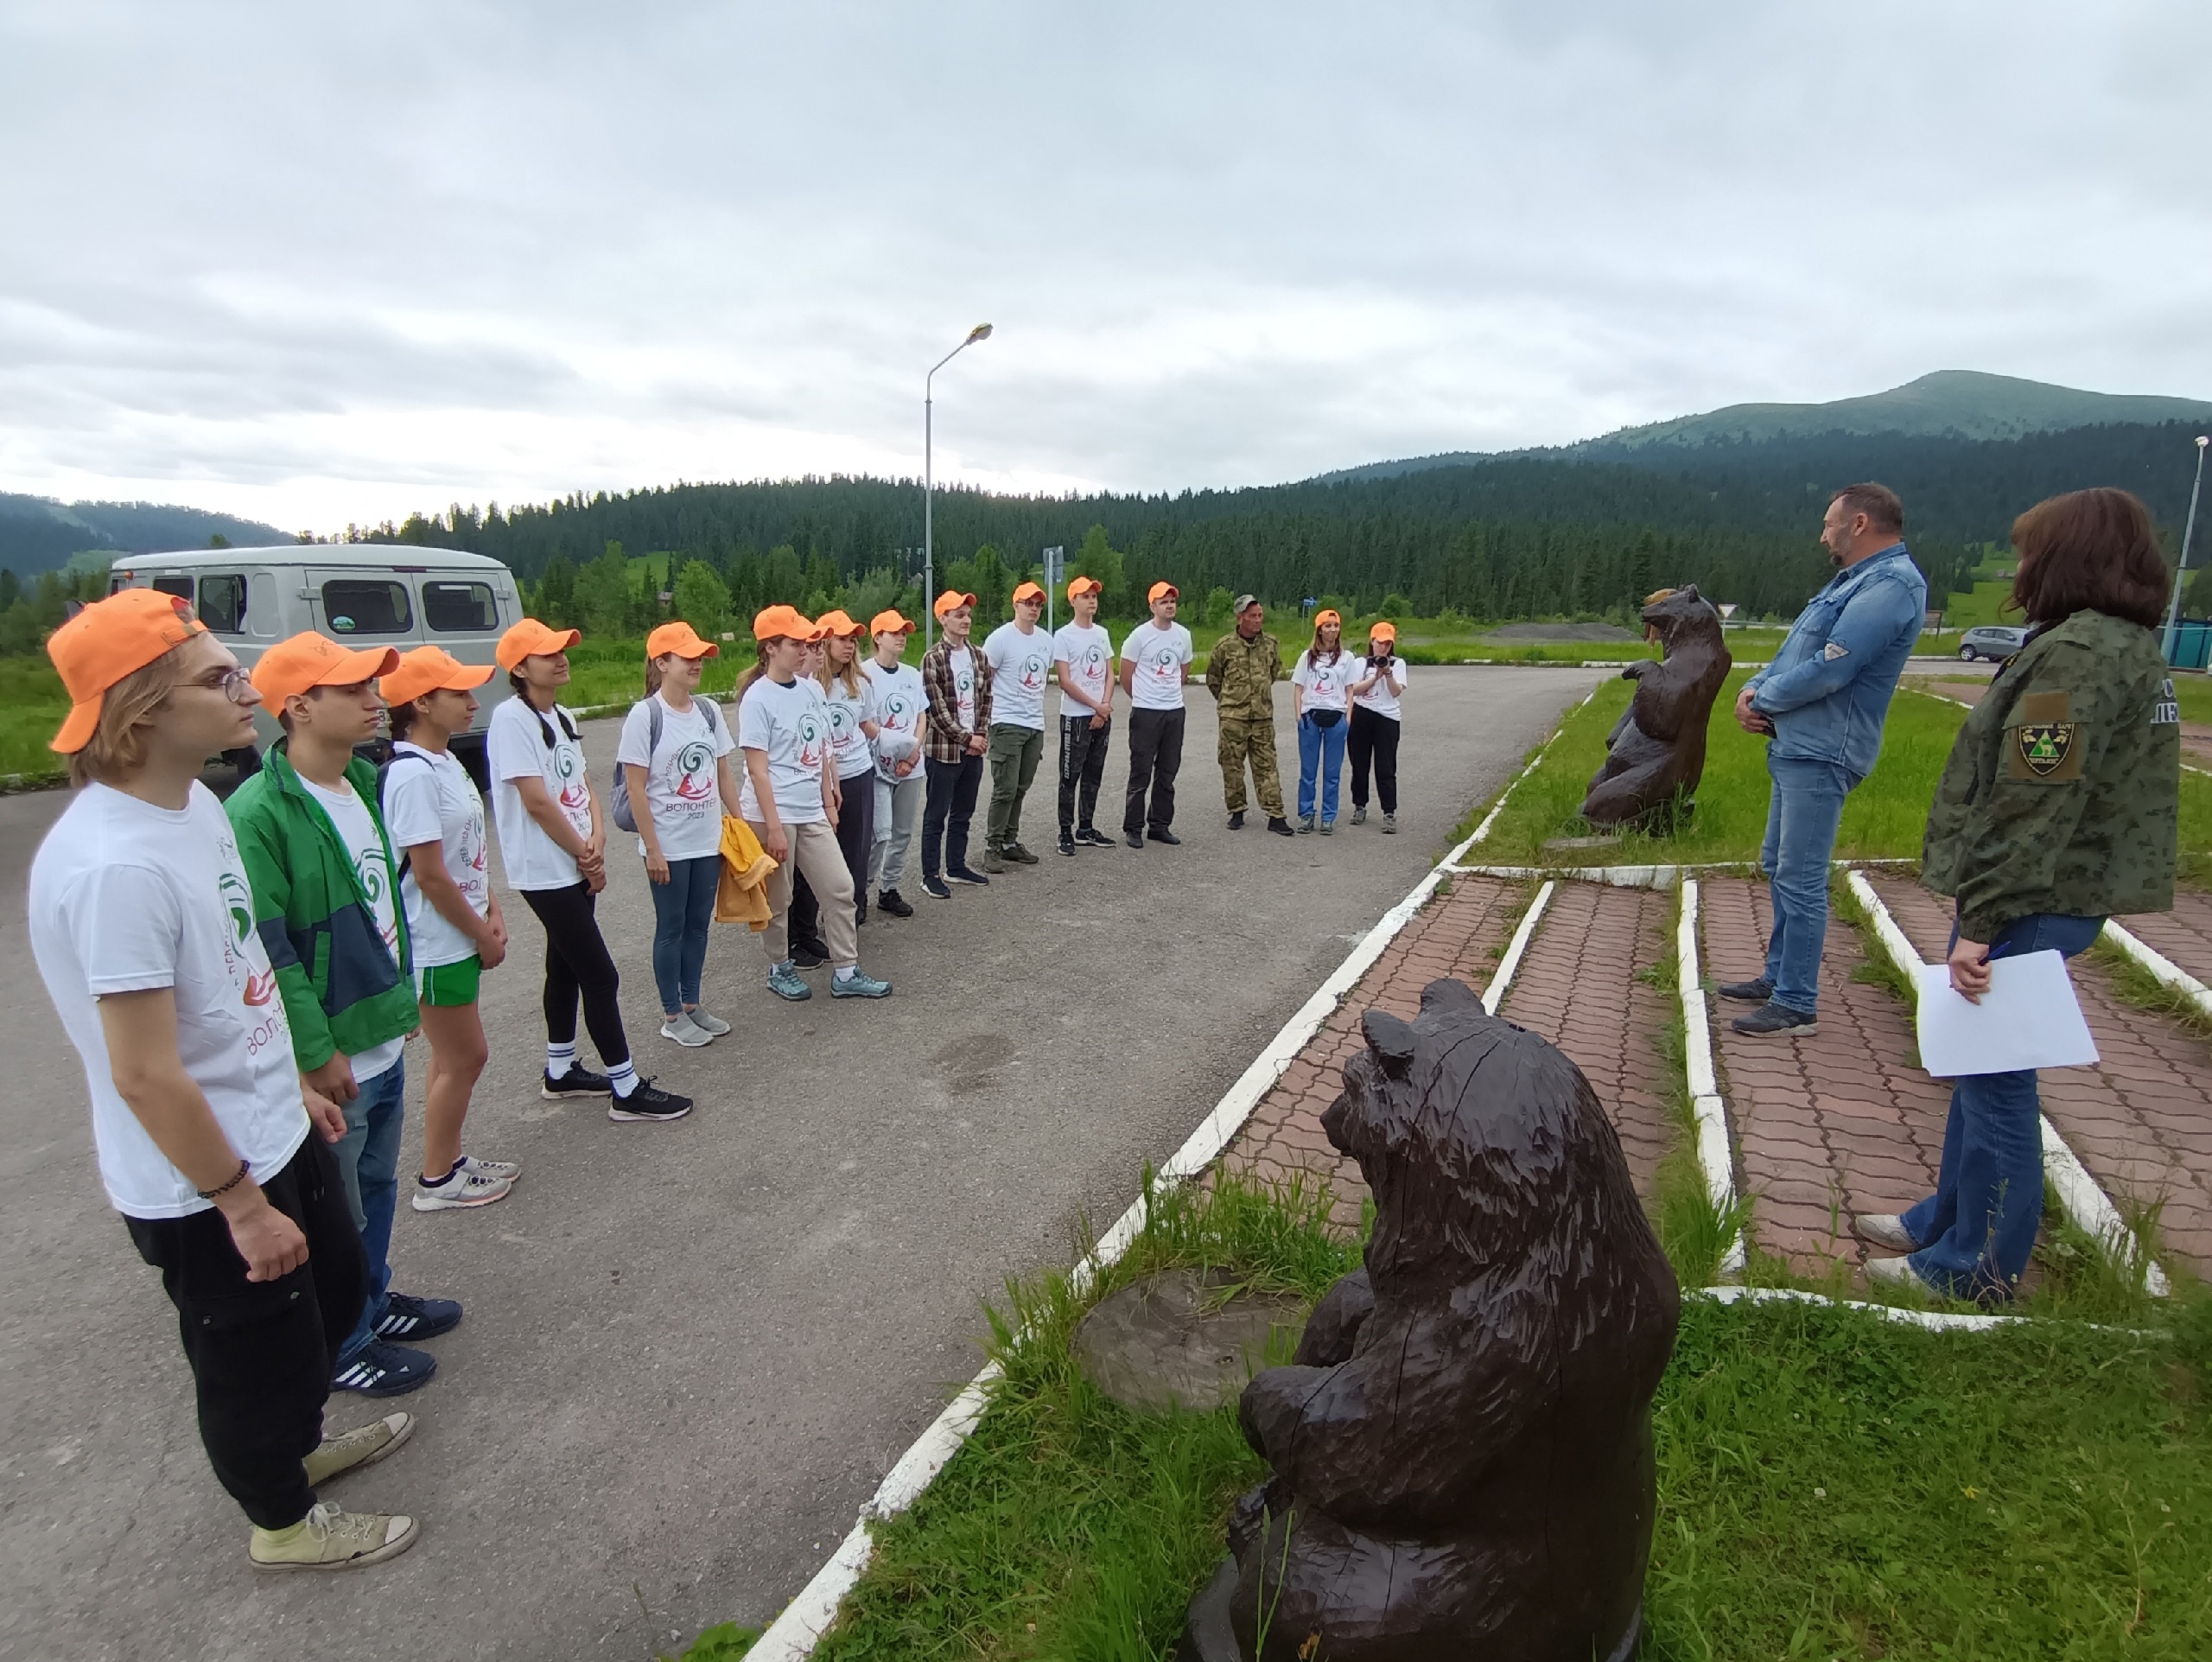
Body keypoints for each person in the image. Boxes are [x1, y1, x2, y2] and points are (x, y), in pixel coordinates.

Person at [30, 590, 421, 1570]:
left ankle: (298, 1448)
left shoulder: (195, 804)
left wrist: (292, 1081)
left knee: (328, 1300)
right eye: (216, 678)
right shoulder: (114, 867)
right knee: (249, 1357)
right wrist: (240, 1205)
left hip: (272, 1124)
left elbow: (239, 971)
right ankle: (281, 1521)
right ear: (138, 710)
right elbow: (147, 1074)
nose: (248, 689)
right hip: (203, 1179)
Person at [1859, 487, 2179, 1301]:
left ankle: (1976, 1268)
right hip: (2058, 887)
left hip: (2033, 892)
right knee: (1981, 1061)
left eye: (2031, 552)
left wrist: (1984, 922)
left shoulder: (2076, 656)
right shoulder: (2125, 644)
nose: (2022, 567)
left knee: (2000, 1080)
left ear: (2068, 557)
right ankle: (1948, 1216)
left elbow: (2036, 799)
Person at [225, 633, 454, 1398]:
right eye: (352, 687)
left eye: (373, 685)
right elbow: (270, 946)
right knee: (339, 1210)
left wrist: (401, 996)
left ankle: (373, 1299)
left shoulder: (362, 779)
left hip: (380, 1031)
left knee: (377, 1190)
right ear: (296, 707)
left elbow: (385, 904)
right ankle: (347, 1340)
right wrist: (314, 1054)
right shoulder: (260, 811)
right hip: (334, 1058)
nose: (372, 700)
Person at [1720, 483, 1929, 1037]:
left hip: (1824, 750)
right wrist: (1752, 690)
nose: (1823, 535)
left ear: (1859, 523)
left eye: (1829, 523)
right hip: (1795, 745)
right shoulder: (1852, 583)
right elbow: (1798, 653)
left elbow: (1833, 667)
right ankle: (1777, 975)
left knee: (1803, 875)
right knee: (1780, 865)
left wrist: (1762, 699)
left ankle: (1796, 1002)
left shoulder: (1890, 586)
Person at [487, 619, 692, 1121]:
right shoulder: (511, 719)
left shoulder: (558, 713)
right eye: (547, 653)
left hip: (575, 859)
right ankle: (625, 1087)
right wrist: (583, 851)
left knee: (564, 965)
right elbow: (535, 799)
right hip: (546, 869)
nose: (561, 659)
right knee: (601, 975)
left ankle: (560, 1071)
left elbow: (582, 784)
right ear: (519, 668)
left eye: (563, 650)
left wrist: (596, 837)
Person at [378, 646, 517, 1211]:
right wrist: (480, 933)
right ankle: (437, 1179)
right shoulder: (411, 774)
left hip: (462, 928)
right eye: (457, 693)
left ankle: (450, 1155)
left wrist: (493, 909)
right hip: (436, 940)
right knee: (468, 1056)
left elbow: (467, 854)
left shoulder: (445, 760)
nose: (471, 701)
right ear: (420, 702)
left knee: (448, 1057)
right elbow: (430, 875)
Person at [737, 606, 892, 1001]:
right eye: (795, 644)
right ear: (771, 648)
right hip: (773, 811)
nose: (805, 650)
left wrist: (829, 798)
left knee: (840, 887)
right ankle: (779, 966)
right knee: (779, 897)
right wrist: (772, 826)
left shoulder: (809, 688)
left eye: (807, 643)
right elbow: (757, 769)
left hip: (810, 808)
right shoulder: (758, 699)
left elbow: (822, 748)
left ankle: (846, 971)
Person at [617, 621, 740, 1049]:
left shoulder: (706, 711)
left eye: (700, 657)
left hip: (705, 840)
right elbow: (635, 787)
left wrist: (738, 823)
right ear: (661, 662)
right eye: (687, 657)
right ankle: (671, 1014)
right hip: (667, 844)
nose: (697, 664)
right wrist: (653, 848)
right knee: (670, 927)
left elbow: (722, 769)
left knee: (698, 926)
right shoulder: (645, 715)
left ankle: (692, 1004)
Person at [790, 609, 880, 938]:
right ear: (824, 643)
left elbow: (865, 725)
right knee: (815, 857)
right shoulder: (810, 684)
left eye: (854, 640)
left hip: (857, 773)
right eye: (842, 639)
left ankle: (847, 920)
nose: (850, 646)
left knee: (856, 850)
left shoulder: (861, 684)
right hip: (817, 779)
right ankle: (804, 928)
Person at [918, 589, 994, 898]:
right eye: (958, 614)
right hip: (944, 752)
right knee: (936, 815)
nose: (966, 620)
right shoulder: (932, 659)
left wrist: (980, 735)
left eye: (967, 614)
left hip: (973, 750)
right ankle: (930, 874)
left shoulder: (978, 655)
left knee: (964, 811)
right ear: (943, 619)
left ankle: (956, 866)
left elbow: (986, 697)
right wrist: (966, 738)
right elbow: (936, 711)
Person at [1206, 593, 1294, 837]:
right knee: (1232, 766)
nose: (1257, 620)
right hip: (1233, 718)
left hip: (1262, 717)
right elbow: (1214, 679)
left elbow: (1273, 672)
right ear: (1240, 617)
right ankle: (1236, 810)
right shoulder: (1225, 646)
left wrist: (1258, 696)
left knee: (1267, 766)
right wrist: (1230, 701)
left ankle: (1275, 815)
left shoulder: (1270, 644)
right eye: (1252, 616)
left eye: (1260, 616)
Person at [981, 581, 1053, 872]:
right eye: (1028, 604)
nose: (1033, 609)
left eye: (1037, 605)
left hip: (1034, 723)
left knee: (1021, 787)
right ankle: (992, 846)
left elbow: (1041, 679)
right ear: (1016, 605)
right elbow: (985, 679)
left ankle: (1010, 842)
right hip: (1006, 722)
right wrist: (986, 720)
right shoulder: (1000, 639)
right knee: (1005, 788)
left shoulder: (1046, 640)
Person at [1119, 581, 1193, 848]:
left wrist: (1169, 694)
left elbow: (1183, 670)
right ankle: (1133, 827)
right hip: (1146, 712)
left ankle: (1160, 825)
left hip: (1174, 710)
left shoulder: (1183, 635)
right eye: (1164, 601)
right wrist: (1142, 697)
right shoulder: (1139, 636)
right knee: (1141, 771)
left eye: (1172, 601)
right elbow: (1126, 675)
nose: (1170, 605)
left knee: (1168, 771)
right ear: (1153, 606)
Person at [862, 610, 926, 916]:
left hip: (911, 766)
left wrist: (912, 753)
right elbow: (864, 722)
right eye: (894, 632)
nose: (902, 637)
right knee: (878, 833)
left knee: (902, 831)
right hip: (876, 767)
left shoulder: (912, 675)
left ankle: (889, 888)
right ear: (877, 638)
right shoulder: (863, 674)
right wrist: (890, 755)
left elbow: (921, 716)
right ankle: (860, 890)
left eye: (905, 632)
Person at [1051, 576, 1119, 855]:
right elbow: (1065, 680)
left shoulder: (1101, 634)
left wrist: (1104, 706)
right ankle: (1065, 831)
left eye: (1094, 596)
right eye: (1085, 596)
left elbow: (1109, 673)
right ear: (1073, 600)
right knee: (1070, 775)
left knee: (1094, 773)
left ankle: (1086, 827)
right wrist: (1094, 705)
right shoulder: (1064, 636)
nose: (1091, 601)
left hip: (1101, 714)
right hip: (1076, 716)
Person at [1291, 608, 1355, 834]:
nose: (1332, 630)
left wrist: (1347, 717)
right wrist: (1299, 716)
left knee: (1332, 772)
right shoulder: (1307, 657)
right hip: (1311, 717)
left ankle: (1328, 816)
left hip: (1336, 717)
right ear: (1319, 629)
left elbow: (1349, 689)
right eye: (1328, 626)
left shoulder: (1347, 659)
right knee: (1308, 771)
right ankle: (1306, 814)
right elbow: (1299, 687)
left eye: (1336, 626)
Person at [1347, 620, 1407, 832]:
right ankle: (1359, 805)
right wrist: (1374, 677)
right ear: (1372, 641)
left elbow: (1396, 691)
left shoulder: (1398, 664)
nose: (1383, 647)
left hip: (1387, 718)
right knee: (1359, 764)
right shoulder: (1360, 664)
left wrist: (1388, 673)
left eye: (1388, 644)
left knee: (1386, 766)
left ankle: (1389, 812)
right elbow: (1353, 690)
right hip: (1362, 713)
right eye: (1380, 643)